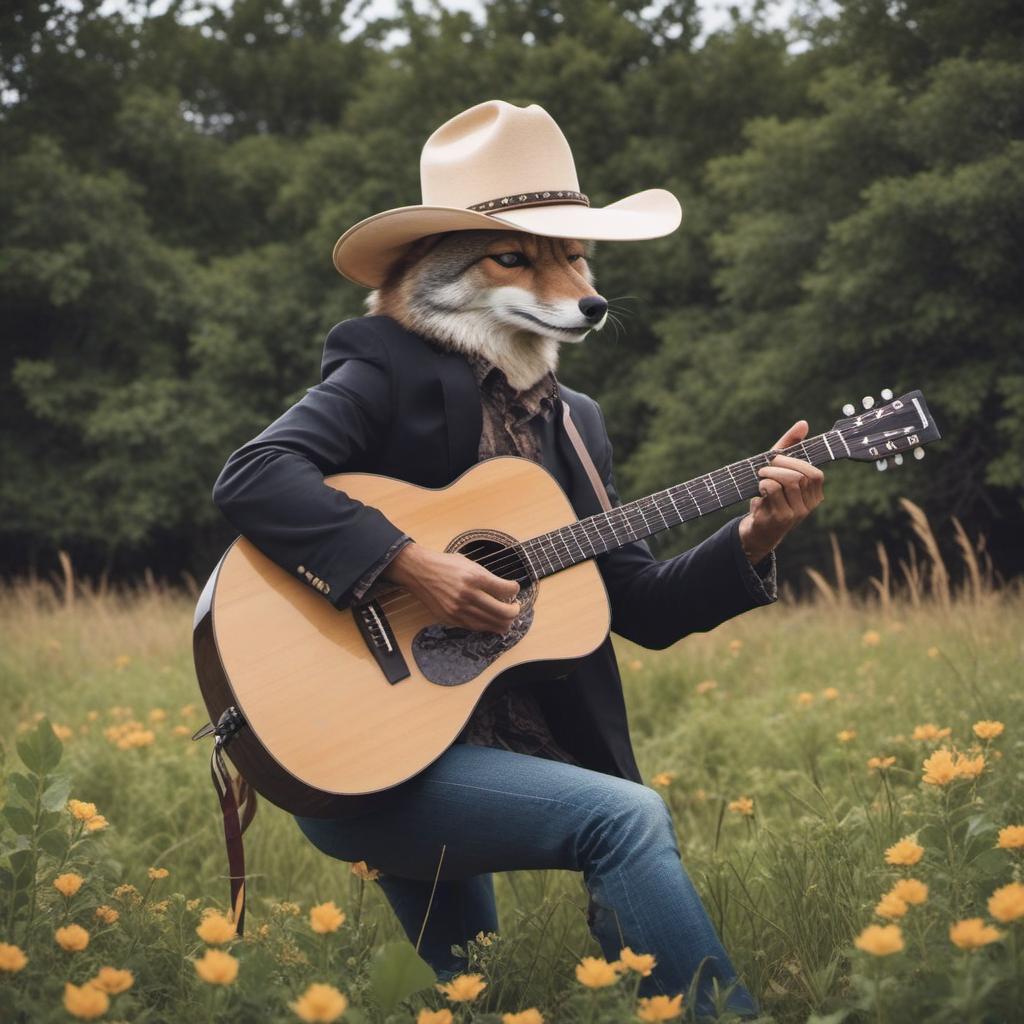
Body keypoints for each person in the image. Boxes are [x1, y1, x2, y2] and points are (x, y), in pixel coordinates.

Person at [212, 100, 825, 1017]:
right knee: (624, 819)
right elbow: (255, 473)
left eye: (574, 255)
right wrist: (411, 565)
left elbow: (640, 604)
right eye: (519, 256)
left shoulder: (576, 427)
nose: (570, 282)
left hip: (454, 729)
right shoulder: (384, 365)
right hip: (353, 741)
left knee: (463, 994)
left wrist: (752, 540)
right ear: (432, 271)